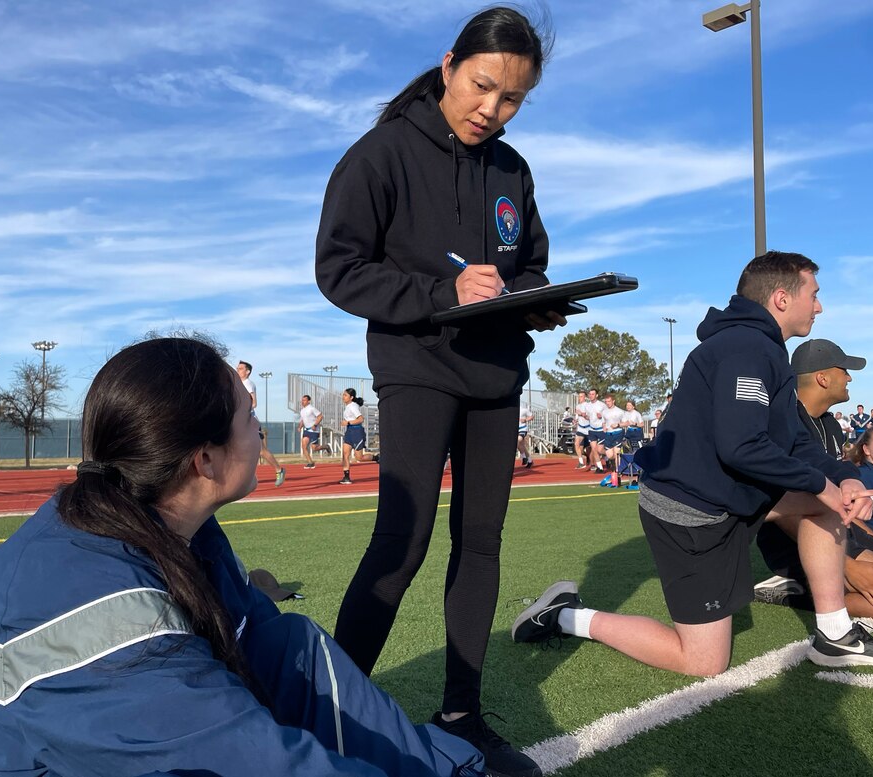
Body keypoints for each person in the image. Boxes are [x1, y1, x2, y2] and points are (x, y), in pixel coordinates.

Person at [0, 337, 485, 777]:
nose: (260, 430)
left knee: (287, 646)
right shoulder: (105, 617)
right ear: (205, 460)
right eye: (249, 417)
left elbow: (264, 646)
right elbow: (245, 758)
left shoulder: (165, 524)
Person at [315, 8, 562, 775]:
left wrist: (539, 296)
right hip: (417, 363)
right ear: (451, 64)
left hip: (496, 372)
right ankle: (329, 716)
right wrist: (440, 290)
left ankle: (461, 713)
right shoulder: (383, 152)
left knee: (480, 542)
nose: (492, 108)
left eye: (512, 98)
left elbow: (531, 262)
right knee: (405, 537)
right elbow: (338, 267)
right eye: (484, 85)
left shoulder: (512, 171)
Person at [513, 252, 873, 672]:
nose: (819, 306)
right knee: (703, 661)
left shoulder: (766, 349)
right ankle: (563, 614)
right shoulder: (744, 348)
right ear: (781, 298)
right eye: (814, 295)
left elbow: (795, 439)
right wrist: (820, 486)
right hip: (691, 513)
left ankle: (834, 635)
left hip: (728, 496)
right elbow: (742, 446)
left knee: (828, 500)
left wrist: (844, 479)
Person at [753, 339, 873, 622]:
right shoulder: (782, 422)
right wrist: (846, 566)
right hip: (801, 542)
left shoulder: (829, 424)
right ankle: (797, 593)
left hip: (844, 532)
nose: (850, 377)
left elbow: (837, 502)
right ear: (822, 378)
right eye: (844, 370)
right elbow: (780, 504)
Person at [236, 360, 285, 486]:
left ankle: (279, 470)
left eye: (240, 368)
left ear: (247, 372)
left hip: (250, 421)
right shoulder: (238, 384)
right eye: (237, 368)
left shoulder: (248, 384)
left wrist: (243, 411)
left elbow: (254, 403)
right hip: (241, 422)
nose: (238, 370)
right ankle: (245, 477)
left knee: (261, 451)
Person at [338, 387, 377, 484]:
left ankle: (377, 458)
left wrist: (348, 423)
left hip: (357, 432)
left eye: (345, 395)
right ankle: (346, 477)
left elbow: (360, 419)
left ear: (351, 397)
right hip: (349, 432)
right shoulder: (348, 406)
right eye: (343, 395)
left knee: (359, 457)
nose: (343, 397)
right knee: (345, 454)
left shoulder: (353, 406)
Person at [298, 394, 325, 468]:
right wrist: (300, 427)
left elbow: (320, 416)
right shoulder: (302, 410)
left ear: (308, 401)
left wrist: (315, 425)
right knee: (304, 446)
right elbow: (302, 420)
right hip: (307, 431)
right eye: (302, 400)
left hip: (314, 431)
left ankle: (325, 447)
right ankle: (310, 462)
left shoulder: (312, 408)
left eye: (304, 400)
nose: (302, 402)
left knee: (314, 448)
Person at [573, 391, 590, 469]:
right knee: (577, 444)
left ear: (585, 397)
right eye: (579, 396)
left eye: (581, 396)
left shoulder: (588, 405)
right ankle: (581, 462)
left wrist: (581, 414)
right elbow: (577, 417)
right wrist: (575, 420)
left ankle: (605, 460)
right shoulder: (577, 406)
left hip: (588, 428)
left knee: (591, 449)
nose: (580, 398)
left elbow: (588, 416)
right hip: (580, 428)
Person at [517, 403, 535, 468]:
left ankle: (523, 457)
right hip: (515, 429)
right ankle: (530, 461)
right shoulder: (510, 411)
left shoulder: (523, 410)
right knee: (522, 446)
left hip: (522, 428)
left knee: (519, 439)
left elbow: (532, 416)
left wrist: (526, 420)